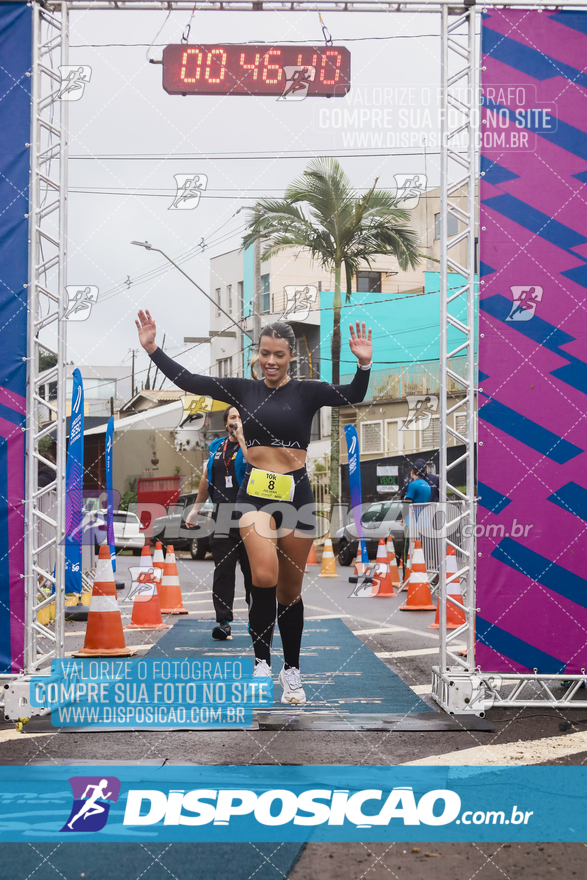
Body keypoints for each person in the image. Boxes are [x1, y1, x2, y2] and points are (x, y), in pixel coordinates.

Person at [136, 311, 372, 704]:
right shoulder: (243, 390)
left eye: (279, 355)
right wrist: (153, 350)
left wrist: (364, 363)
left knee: (290, 591)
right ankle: (261, 660)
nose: (271, 362)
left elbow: (355, 394)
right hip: (256, 494)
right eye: (265, 354)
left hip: (296, 493)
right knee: (263, 574)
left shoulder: (309, 391)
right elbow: (191, 381)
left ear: (291, 357)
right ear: (257, 354)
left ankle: (291, 672)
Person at [186, 405, 252, 641]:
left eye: (241, 418)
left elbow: (256, 465)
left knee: (252, 572)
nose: (237, 420)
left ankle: (258, 620)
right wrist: (196, 509)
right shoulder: (216, 447)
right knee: (223, 571)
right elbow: (207, 478)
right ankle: (224, 623)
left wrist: (243, 439)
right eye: (233, 417)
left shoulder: (253, 444)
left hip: (249, 515)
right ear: (226, 423)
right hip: (222, 515)